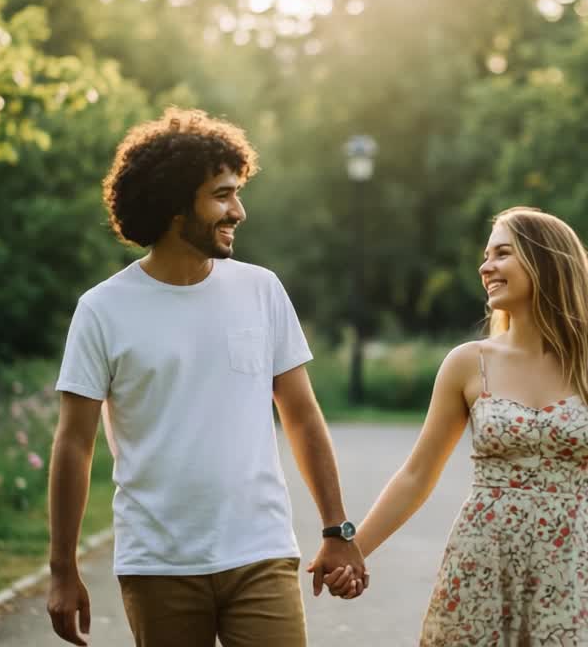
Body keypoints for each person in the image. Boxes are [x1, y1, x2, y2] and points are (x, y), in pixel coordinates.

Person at [46, 108, 368, 647]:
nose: (238, 210)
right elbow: (73, 445)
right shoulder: (103, 310)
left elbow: (303, 416)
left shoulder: (261, 290)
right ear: (174, 206)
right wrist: (62, 569)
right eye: (222, 195)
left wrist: (337, 529)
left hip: (260, 552)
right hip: (158, 563)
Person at [324, 206, 588, 644]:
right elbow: (417, 475)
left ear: (545, 261)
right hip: (482, 560)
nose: (486, 266)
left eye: (502, 253)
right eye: (486, 255)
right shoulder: (468, 363)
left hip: (570, 566)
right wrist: (355, 551)